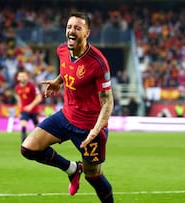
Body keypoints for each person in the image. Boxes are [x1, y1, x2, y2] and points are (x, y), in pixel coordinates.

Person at [20, 12, 114, 203]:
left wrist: (96, 131)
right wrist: (58, 81)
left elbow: (108, 101)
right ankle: (72, 169)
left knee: (93, 176)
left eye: (78, 28)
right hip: (66, 115)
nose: (72, 31)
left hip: (89, 127)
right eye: (69, 27)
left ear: (87, 33)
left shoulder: (98, 63)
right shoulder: (62, 50)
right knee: (28, 149)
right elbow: (67, 68)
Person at [14, 70, 42, 142]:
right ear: (17, 78)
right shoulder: (17, 88)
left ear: (27, 77)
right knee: (23, 124)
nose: (22, 78)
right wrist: (20, 104)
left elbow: (39, 98)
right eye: (20, 76)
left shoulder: (32, 86)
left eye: (23, 76)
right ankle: (24, 141)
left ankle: (39, 140)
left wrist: (31, 106)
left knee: (37, 127)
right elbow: (17, 96)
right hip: (24, 110)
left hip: (34, 110)